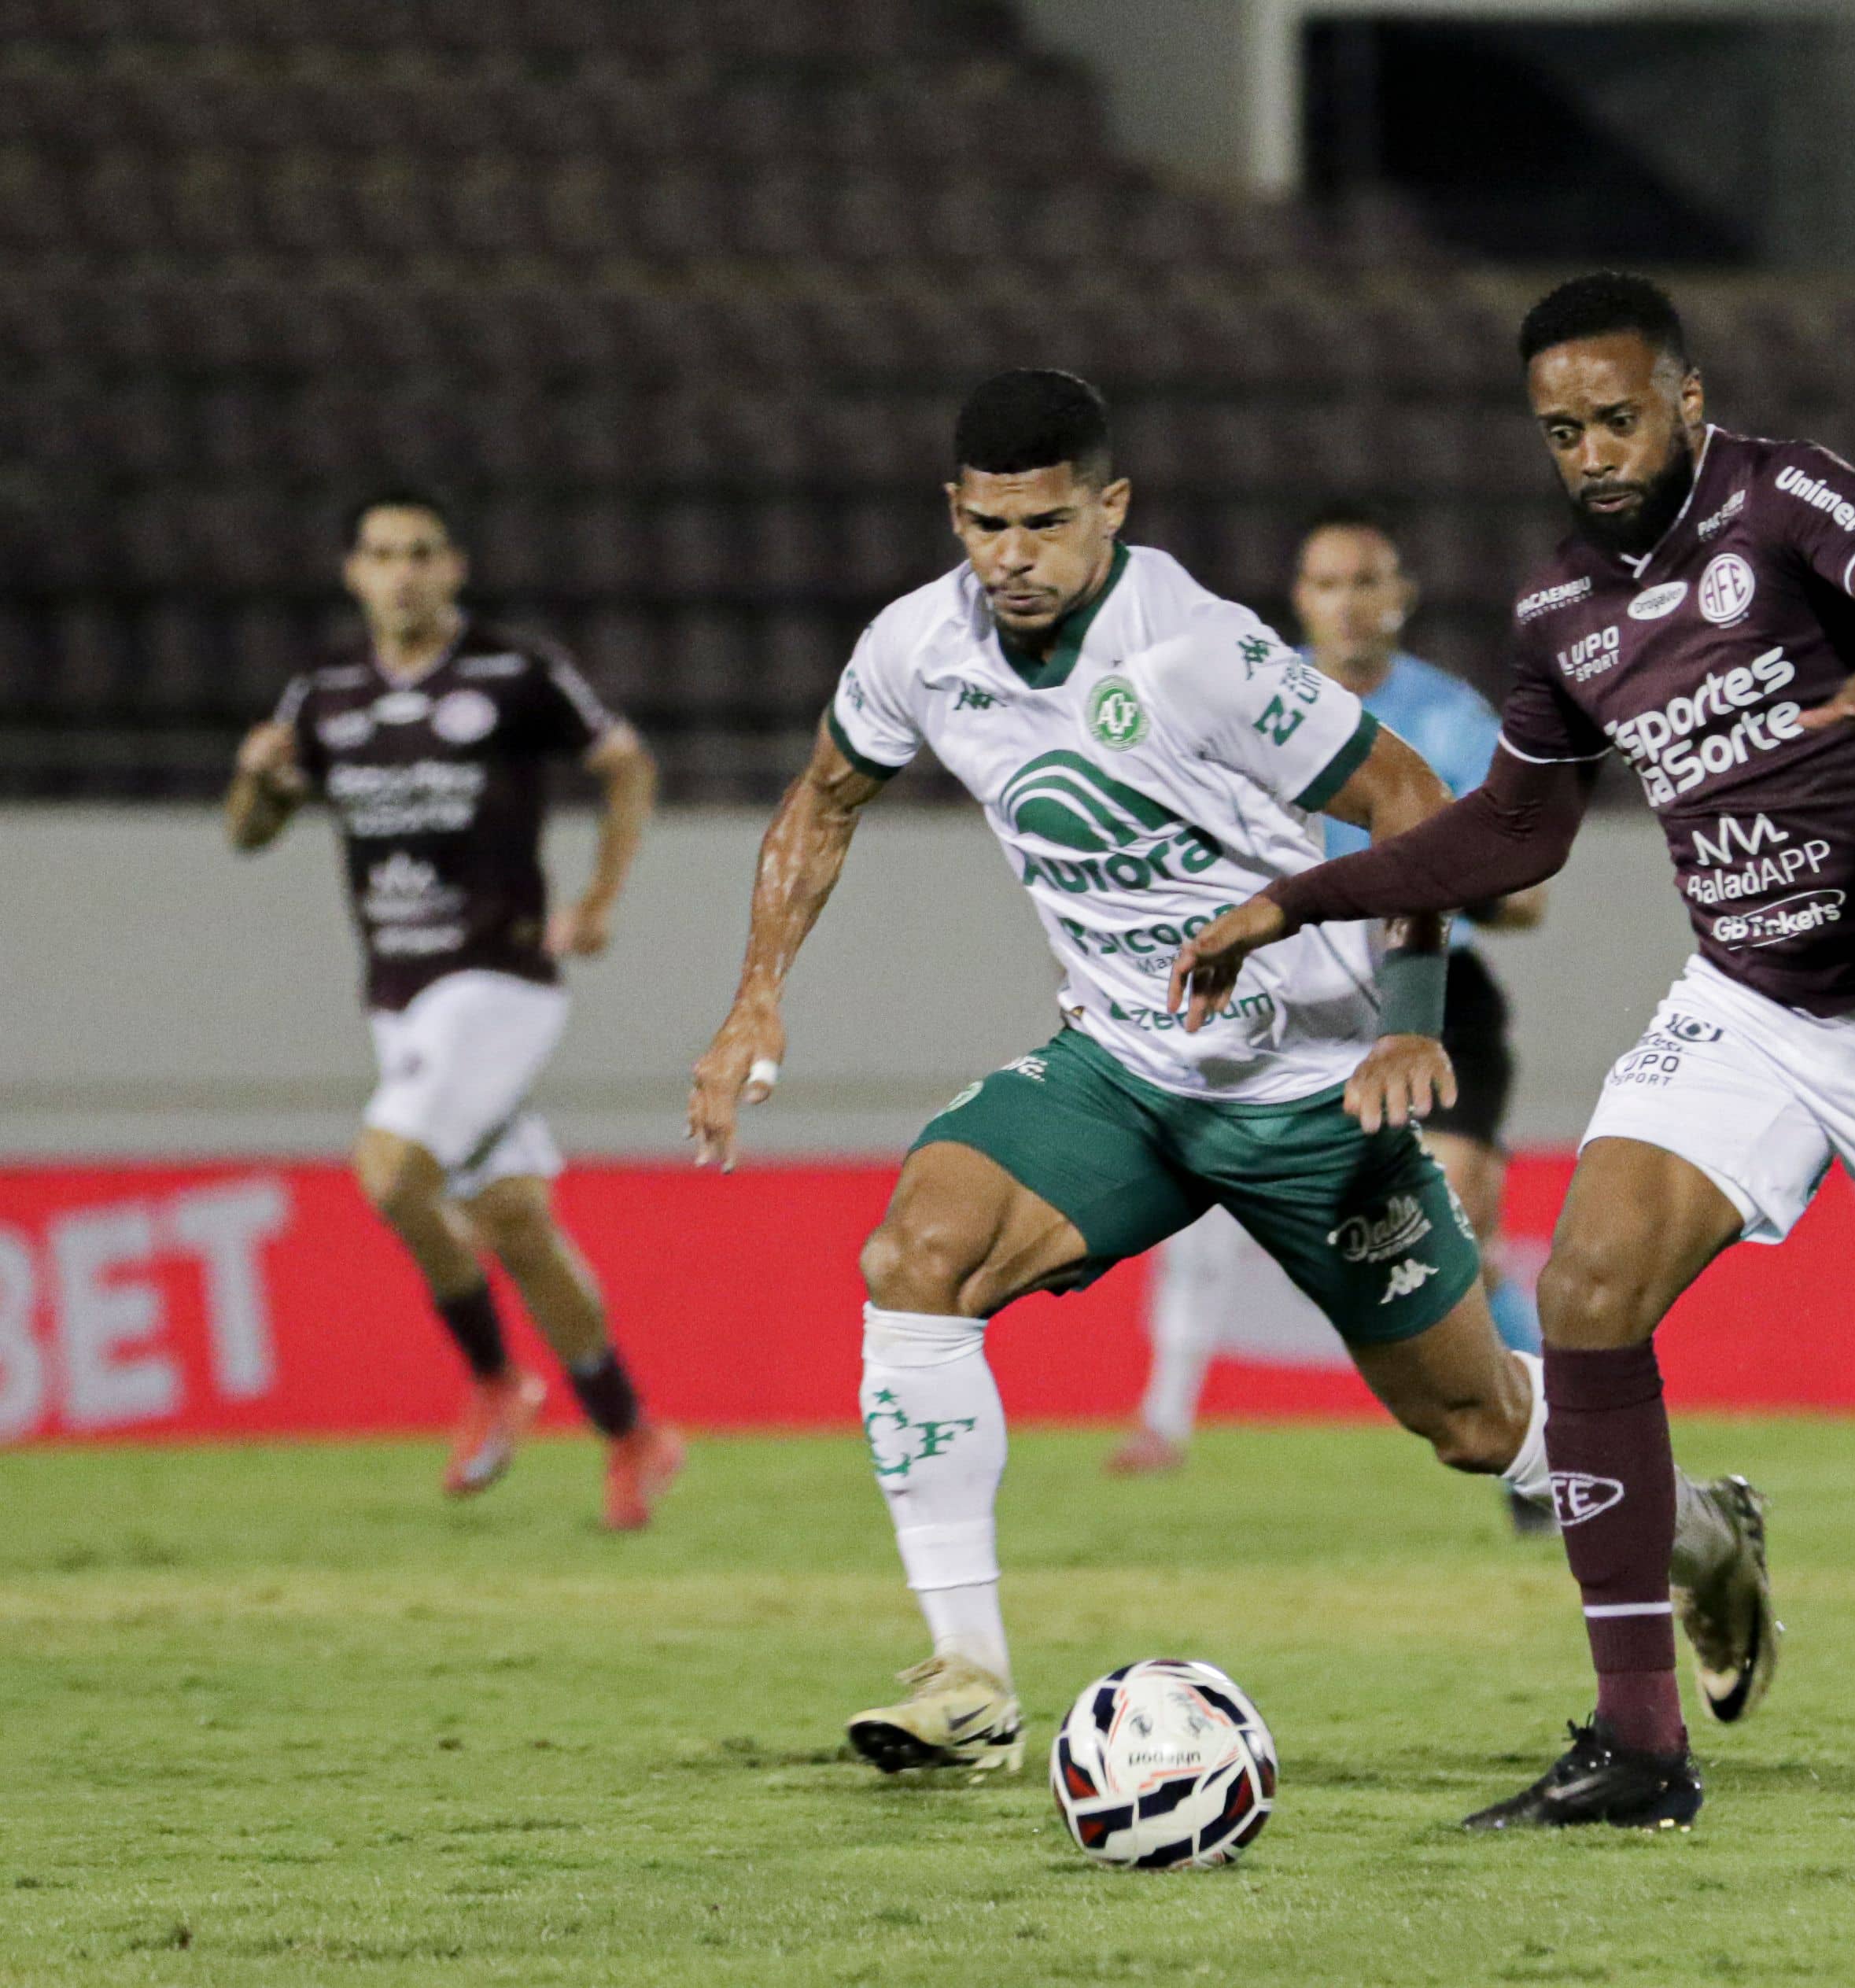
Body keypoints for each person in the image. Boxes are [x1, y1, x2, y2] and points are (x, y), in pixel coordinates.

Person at [1174, 274, 1855, 1831]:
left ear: (1684, 399)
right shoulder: (1561, 615)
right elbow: (1508, 830)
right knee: (1582, 1292)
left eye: (1617, 416)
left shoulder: (1779, 498)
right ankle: (1639, 1747)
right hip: (1749, 1004)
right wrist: (1294, 897)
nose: (1593, 451)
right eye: (1561, 429)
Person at [684, 371, 1770, 1780]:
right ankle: (969, 1680)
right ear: (953, 513)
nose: (1013, 556)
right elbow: (825, 795)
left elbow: (1404, 801)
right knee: (916, 1255)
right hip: (1122, 1065)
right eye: (987, 525)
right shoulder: (914, 649)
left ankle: (1700, 1530)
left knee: (1472, 1422)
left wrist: (1410, 1013)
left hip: (1308, 1086)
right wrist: (752, 992)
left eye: (1047, 523)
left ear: (1110, 510)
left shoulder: (1193, 650)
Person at [226, 490, 681, 1528]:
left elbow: (625, 764)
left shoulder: (514, 671)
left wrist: (600, 898)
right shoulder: (325, 693)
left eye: (422, 552)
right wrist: (256, 780)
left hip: (497, 978)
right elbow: (251, 830)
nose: (403, 572)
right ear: (354, 571)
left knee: (389, 1170)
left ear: (454, 566)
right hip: (395, 989)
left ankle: (490, 1379)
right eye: (382, 553)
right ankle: (633, 1431)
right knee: (516, 1222)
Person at [1108, 504, 1558, 1536]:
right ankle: (1166, 1415)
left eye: (1367, 582)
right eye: (1326, 584)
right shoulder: (1256, 712)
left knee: (1462, 1227)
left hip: (1433, 983)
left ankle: (1547, 1447)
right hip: (1293, 992)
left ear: (1400, 596)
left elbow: (1527, 894)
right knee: (1205, 1191)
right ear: (1298, 602)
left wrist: (1427, 868)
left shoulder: (1449, 720)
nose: (1348, 605)